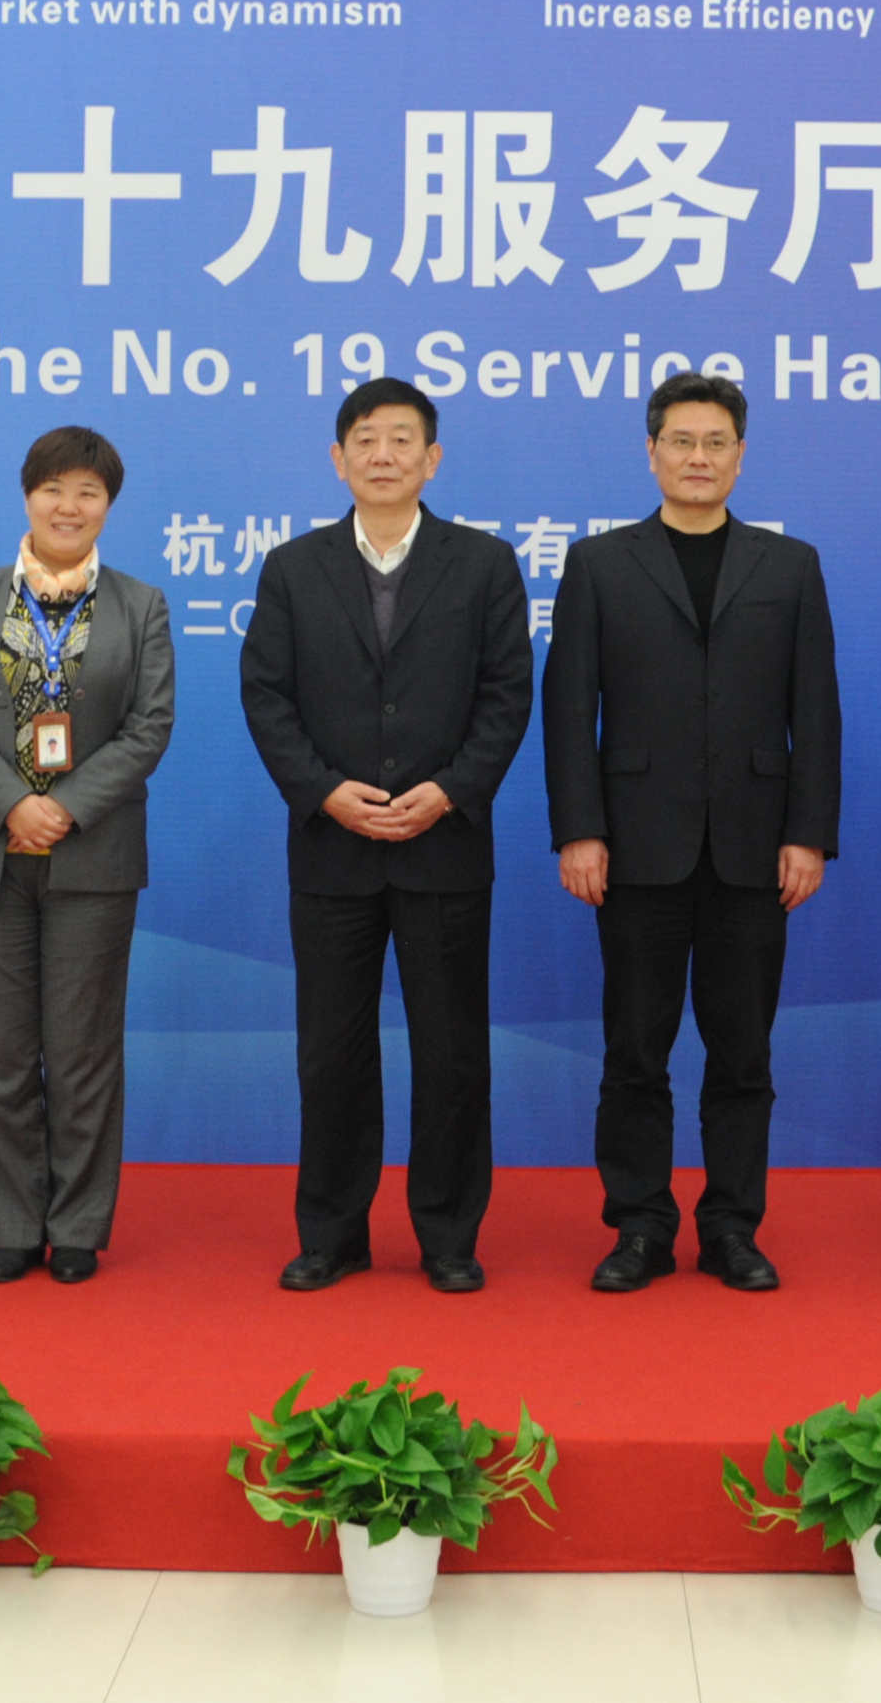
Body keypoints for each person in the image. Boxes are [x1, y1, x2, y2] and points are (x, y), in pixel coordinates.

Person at [541, 372, 836, 1295]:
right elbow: (568, 710)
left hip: (755, 848)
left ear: (740, 457)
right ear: (652, 452)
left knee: (743, 1053)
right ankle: (639, 1226)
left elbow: (816, 712)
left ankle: (732, 1228)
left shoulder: (789, 567)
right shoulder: (599, 563)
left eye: (716, 443)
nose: (698, 457)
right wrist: (579, 830)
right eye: (681, 441)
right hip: (634, 847)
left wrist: (809, 834)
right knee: (635, 1051)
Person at [240, 379, 533, 1293]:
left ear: (431, 459)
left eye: (402, 439)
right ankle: (332, 1233)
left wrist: (451, 790)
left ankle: (448, 1235)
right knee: (331, 1053)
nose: (383, 454)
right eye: (365, 439)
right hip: (333, 850)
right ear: (338, 460)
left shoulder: (484, 564)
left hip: (445, 845)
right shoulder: (293, 568)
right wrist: (323, 793)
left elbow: (507, 694)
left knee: (452, 1054)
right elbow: (266, 696)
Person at [0, 426, 175, 1286]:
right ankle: (12, 1224)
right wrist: (13, 806)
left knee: (82, 1054)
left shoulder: (141, 606)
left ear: (109, 505)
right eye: (53, 489)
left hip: (92, 855)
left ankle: (77, 1226)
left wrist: (62, 809)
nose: (69, 507)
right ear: (28, 496)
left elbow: (149, 727)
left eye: (88, 493)